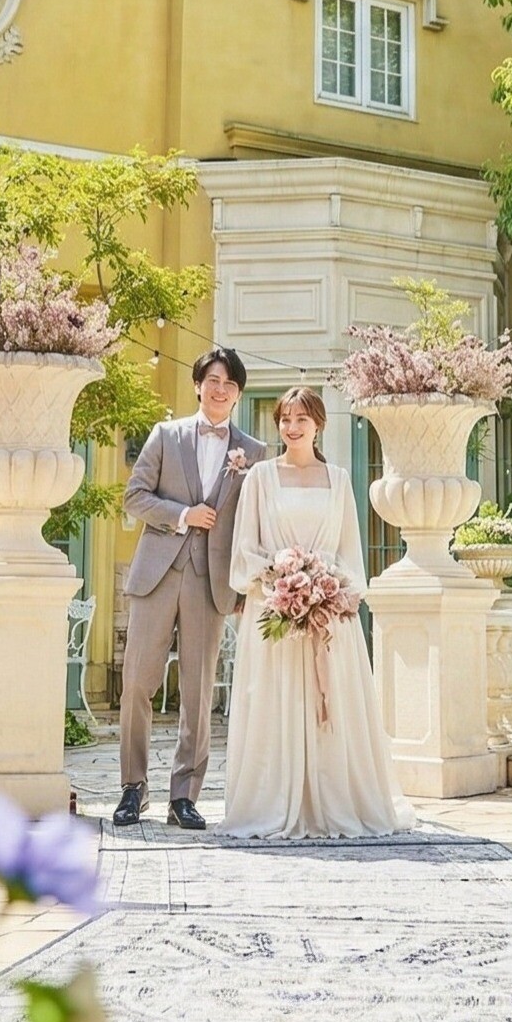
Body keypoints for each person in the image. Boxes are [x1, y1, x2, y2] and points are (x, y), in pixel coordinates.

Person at [222, 386, 414, 839]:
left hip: (329, 616)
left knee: (330, 710)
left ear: (318, 424)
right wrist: (281, 579)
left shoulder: (341, 481)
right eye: (285, 420)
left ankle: (334, 801)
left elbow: (351, 551)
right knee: (276, 705)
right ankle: (274, 802)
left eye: (301, 420)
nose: (291, 428)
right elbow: (244, 551)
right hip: (274, 615)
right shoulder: (259, 479)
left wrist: (329, 590)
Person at [114, 347, 266, 830]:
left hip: (212, 583)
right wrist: (182, 516)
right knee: (137, 682)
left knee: (199, 693)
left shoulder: (254, 452)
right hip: (157, 574)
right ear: (198, 384)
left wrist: (245, 586)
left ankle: (185, 795)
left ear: (238, 394)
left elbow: (251, 523)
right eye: (213, 380)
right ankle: (133, 788)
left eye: (230, 384)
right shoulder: (166, 435)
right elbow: (135, 496)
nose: (221, 389)